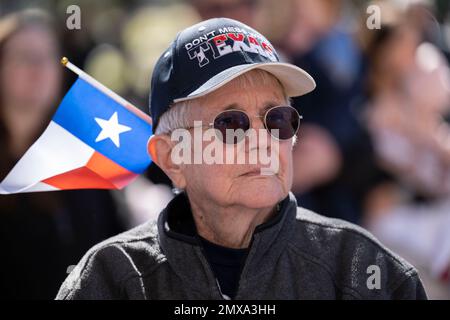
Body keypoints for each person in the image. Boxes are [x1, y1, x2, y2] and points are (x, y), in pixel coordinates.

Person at [56, 18, 427, 300]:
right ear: (172, 158)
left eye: (278, 119)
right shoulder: (107, 280)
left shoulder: (365, 272)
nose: (262, 141)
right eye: (231, 123)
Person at [0, 9, 125, 299]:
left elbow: (111, 245)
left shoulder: (84, 156)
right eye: (25, 57)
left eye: (49, 58)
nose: (39, 69)